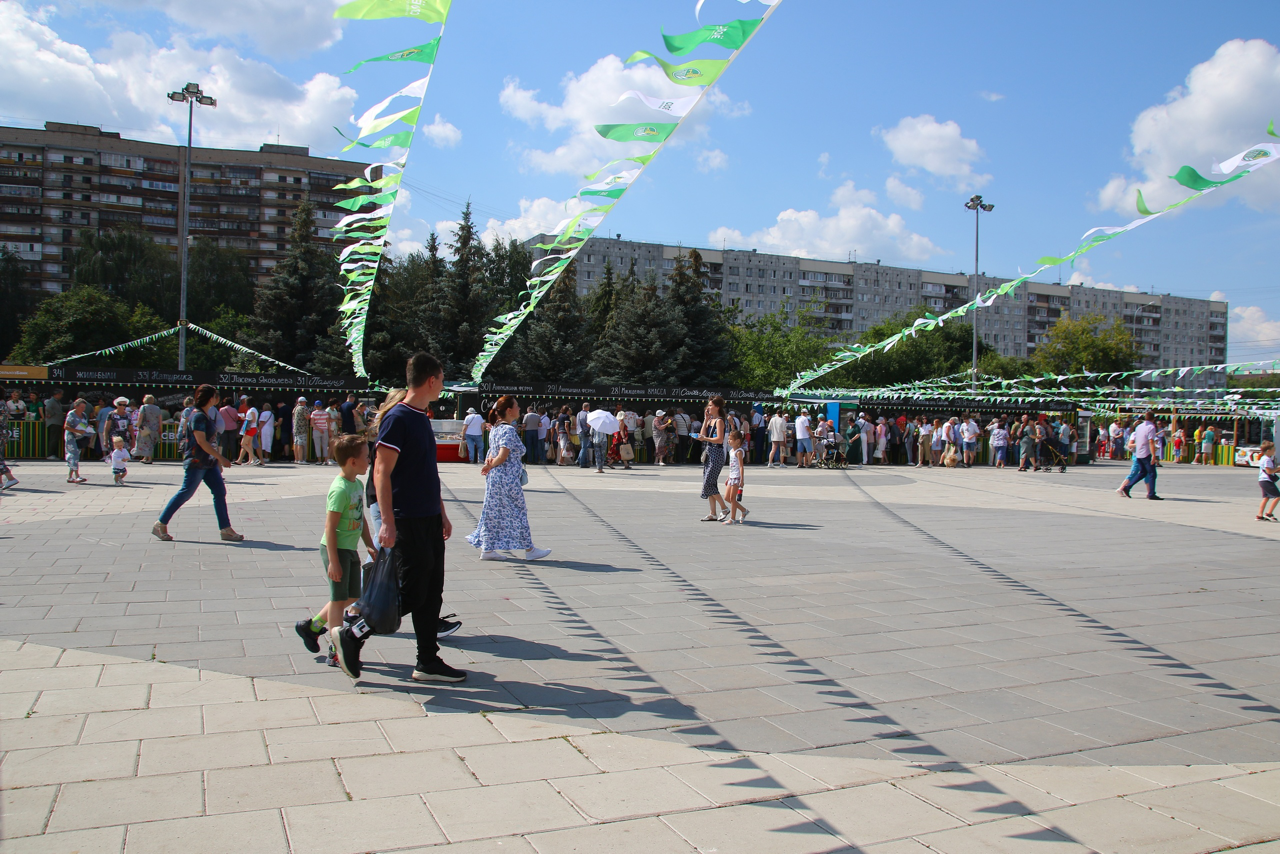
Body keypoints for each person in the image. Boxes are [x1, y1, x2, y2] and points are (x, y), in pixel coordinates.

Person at [331, 353, 465, 684]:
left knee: (432, 592)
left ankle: (427, 661)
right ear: (431, 380)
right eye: (442, 379)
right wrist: (387, 521)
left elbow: (425, 472)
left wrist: (443, 513)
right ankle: (352, 635)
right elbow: (381, 470)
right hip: (407, 520)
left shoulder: (420, 416)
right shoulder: (399, 417)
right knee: (410, 591)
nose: (443, 385)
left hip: (429, 518)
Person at [295, 434, 378, 667]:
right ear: (353, 461)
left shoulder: (357, 484)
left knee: (352, 595)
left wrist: (369, 544)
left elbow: (359, 518)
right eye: (366, 456)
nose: (369, 460)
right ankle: (336, 648)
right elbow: (329, 528)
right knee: (339, 598)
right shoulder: (340, 489)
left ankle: (312, 627)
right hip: (336, 549)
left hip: (349, 548)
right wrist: (333, 561)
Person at [466, 395, 553, 563]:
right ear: (509, 410)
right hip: (507, 479)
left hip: (496, 479)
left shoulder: (496, 428)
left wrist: (488, 465)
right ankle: (530, 549)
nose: (519, 409)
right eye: (517, 406)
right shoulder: (508, 430)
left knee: (492, 512)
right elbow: (502, 455)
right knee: (519, 512)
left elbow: (492, 453)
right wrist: (491, 465)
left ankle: (488, 548)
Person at [154, 384, 243, 542]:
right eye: (216, 396)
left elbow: (211, 440)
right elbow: (201, 441)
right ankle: (160, 523)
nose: (218, 399)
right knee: (186, 492)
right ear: (210, 399)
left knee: (219, 492)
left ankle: (226, 529)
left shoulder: (205, 414)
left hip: (208, 462)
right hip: (197, 461)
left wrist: (216, 460)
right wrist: (221, 458)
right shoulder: (198, 416)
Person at [1116, 411, 1161, 500]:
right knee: (1152, 474)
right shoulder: (1151, 427)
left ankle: (1127, 487)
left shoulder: (1139, 427)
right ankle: (1151, 493)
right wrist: (1153, 455)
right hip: (1146, 453)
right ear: (1153, 418)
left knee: (1143, 472)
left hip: (1138, 453)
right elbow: (1151, 441)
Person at [699, 396, 730, 521]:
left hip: (717, 454)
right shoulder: (711, 420)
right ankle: (713, 513)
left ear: (717, 407)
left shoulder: (719, 421)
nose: (708, 407)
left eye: (711, 405)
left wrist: (705, 439)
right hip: (709, 453)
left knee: (708, 482)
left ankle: (724, 508)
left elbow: (720, 439)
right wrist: (705, 420)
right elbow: (702, 434)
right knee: (710, 483)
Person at [722, 430, 749, 524]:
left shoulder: (739, 452)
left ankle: (732, 519)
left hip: (737, 477)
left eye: (730, 439)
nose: (728, 441)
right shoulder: (731, 451)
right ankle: (744, 510)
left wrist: (742, 479)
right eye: (728, 439)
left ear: (737, 441)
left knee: (732, 498)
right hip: (731, 476)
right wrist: (728, 477)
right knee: (727, 498)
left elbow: (741, 466)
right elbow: (732, 466)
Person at [131, 394, 162, 464]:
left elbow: (140, 418)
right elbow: (160, 419)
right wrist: (160, 428)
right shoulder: (157, 408)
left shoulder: (143, 407)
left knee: (146, 443)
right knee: (151, 443)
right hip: (155, 429)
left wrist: (138, 425)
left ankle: (149, 459)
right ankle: (145, 457)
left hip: (145, 428)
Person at [1257, 441, 1280, 522]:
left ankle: (1260, 515)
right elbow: (1269, 471)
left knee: (1266, 497)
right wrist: (1277, 468)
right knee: (1277, 496)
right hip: (1266, 480)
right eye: (1273, 449)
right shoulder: (1267, 459)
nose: (1275, 451)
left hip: (1262, 480)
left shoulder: (1264, 458)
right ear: (1268, 451)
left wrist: (1276, 470)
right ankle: (1269, 513)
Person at [42, 388, 65, 461]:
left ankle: (53, 454)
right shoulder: (51, 401)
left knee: (55, 439)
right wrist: (51, 414)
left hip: (57, 422)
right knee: (53, 439)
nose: (62, 396)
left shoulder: (56, 401)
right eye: (61, 394)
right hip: (54, 422)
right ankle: (50, 454)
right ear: (57, 394)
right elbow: (48, 408)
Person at [310, 400, 332, 465]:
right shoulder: (325, 413)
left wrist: (318, 429)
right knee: (325, 446)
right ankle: (325, 460)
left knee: (317, 446)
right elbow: (328, 423)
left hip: (316, 431)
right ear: (321, 406)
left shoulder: (313, 413)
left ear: (315, 406)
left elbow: (312, 423)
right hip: (324, 430)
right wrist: (329, 431)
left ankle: (319, 461)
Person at [577, 402, 593, 468]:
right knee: (584, 448)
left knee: (583, 447)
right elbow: (588, 424)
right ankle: (582, 462)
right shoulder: (587, 414)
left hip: (579, 432)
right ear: (587, 407)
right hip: (585, 432)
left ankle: (579, 460)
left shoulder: (579, 413)